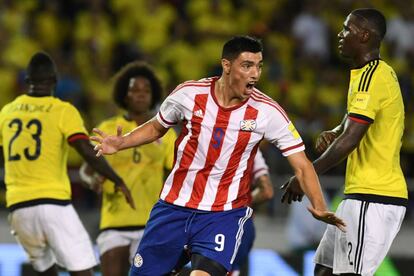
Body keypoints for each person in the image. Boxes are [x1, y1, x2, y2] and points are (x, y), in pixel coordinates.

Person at [91, 35, 345, 276]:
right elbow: (157, 126)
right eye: (247, 65)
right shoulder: (190, 94)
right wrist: (122, 142)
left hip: (223, 214)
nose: (255, 74)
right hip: (173, 208)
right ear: (226, 65)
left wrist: (320, 206)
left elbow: (301, 164)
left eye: (259, 66)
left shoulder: (268, 112)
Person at [281, 9, 408, 276]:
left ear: (364, 35)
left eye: (347, 29)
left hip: (374, 197)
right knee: (323, 270)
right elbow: (353, 123)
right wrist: (337, 129)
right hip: (358, 196)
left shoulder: (374, 77)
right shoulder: (366, 75)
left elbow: (351, 140)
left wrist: (307, 175)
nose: (340, 34)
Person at [0, 52, 134, 276]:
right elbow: (85, 150)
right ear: (54, 80)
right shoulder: (62, 110)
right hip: (53, 203)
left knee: (45, 271)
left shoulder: (7, 112)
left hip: (18, 207)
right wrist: (116, 179)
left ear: (27, 81)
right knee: (82, 271)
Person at [79, 61, 176, 276]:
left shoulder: (166, 134)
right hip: (113, 222)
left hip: (151, 225)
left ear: (153, 96)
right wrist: (92, 181)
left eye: (146, 90)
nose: (141, 95)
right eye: (135, 90)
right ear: (125, 95)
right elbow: (86, 170)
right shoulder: (107, 128)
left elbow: (175, 176)